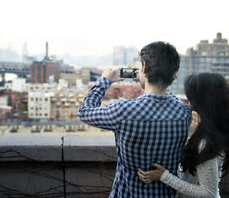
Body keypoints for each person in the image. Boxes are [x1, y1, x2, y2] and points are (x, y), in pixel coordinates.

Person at [77, 42, 192, 197]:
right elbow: (166, 100)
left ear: (143, 68)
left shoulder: (124, 111)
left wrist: (105, 80)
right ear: (173, 75)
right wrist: (151, 81)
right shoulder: (184, 113)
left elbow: (84, 111)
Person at [138, 73, 229, 198]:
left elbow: (208, 193)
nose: (188, 104)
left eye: (190, 98)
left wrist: (164, 176)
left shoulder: (205, 143)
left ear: (201, 102)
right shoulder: (211, 133)